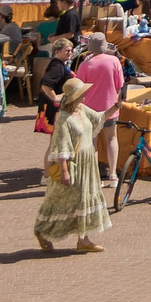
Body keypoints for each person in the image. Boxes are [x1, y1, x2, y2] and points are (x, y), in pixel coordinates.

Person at [33, 76, 110, 254]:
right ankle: (42, 231)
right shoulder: (64, 118)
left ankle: (83, 240)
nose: (84, 97)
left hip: (88, 162)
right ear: (73, 97)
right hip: (74, 164)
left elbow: (100, 118)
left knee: (85, 198)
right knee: (62, 201)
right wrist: (64, 171)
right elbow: (61, 145)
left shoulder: (82, 109)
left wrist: (116, 105)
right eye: (81, 94)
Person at [72, 34, 127, 198]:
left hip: (89, 109)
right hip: (110, 106)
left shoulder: (85, 64)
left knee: (92, 143)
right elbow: (120, 85)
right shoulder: (114, 61)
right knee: (112, 139)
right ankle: (113, 175)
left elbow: (78, 87)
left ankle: (95, 175)